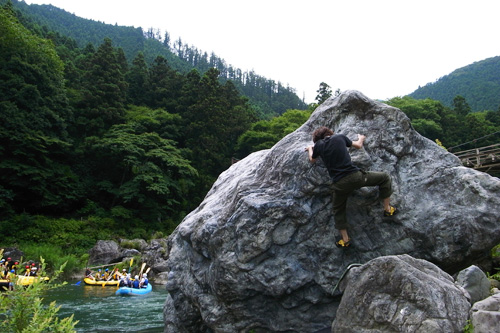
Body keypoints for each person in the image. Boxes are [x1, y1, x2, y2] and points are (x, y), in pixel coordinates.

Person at [306, 126, 396, 248]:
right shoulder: (339, 137)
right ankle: (387, 209)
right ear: (329, 133)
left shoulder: (319, 145)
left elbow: (312, 159)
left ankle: (345, 239)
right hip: (356, 177)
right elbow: (358, 145)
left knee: (338, 210)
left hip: (340, 184)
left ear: (317, 139)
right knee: (384, 177)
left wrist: (310, 149)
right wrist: (361, 138)